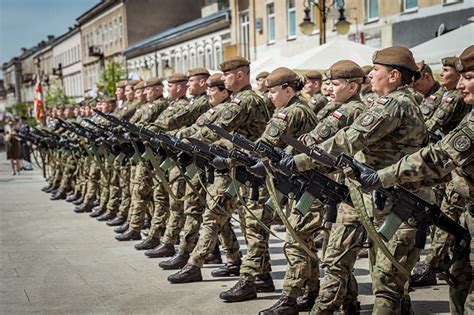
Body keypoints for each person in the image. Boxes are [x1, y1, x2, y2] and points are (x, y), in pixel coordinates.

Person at [282, 46, 429, 314]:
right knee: (391, 284)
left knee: (386, 285)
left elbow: (349, 139)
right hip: (387, 200)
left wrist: (299, 161)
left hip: (394, 203)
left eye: (376, 71)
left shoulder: (392, 104)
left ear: (394, 75)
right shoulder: (404, 101)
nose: (370, 76)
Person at [354, 44, 473, 315]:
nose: (460, 84)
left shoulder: (399, 103)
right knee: (457, 283)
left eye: (468, 77)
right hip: (452, 207)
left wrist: (380, 177)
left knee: (388, 285)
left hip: (408, 199)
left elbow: (434, 157)